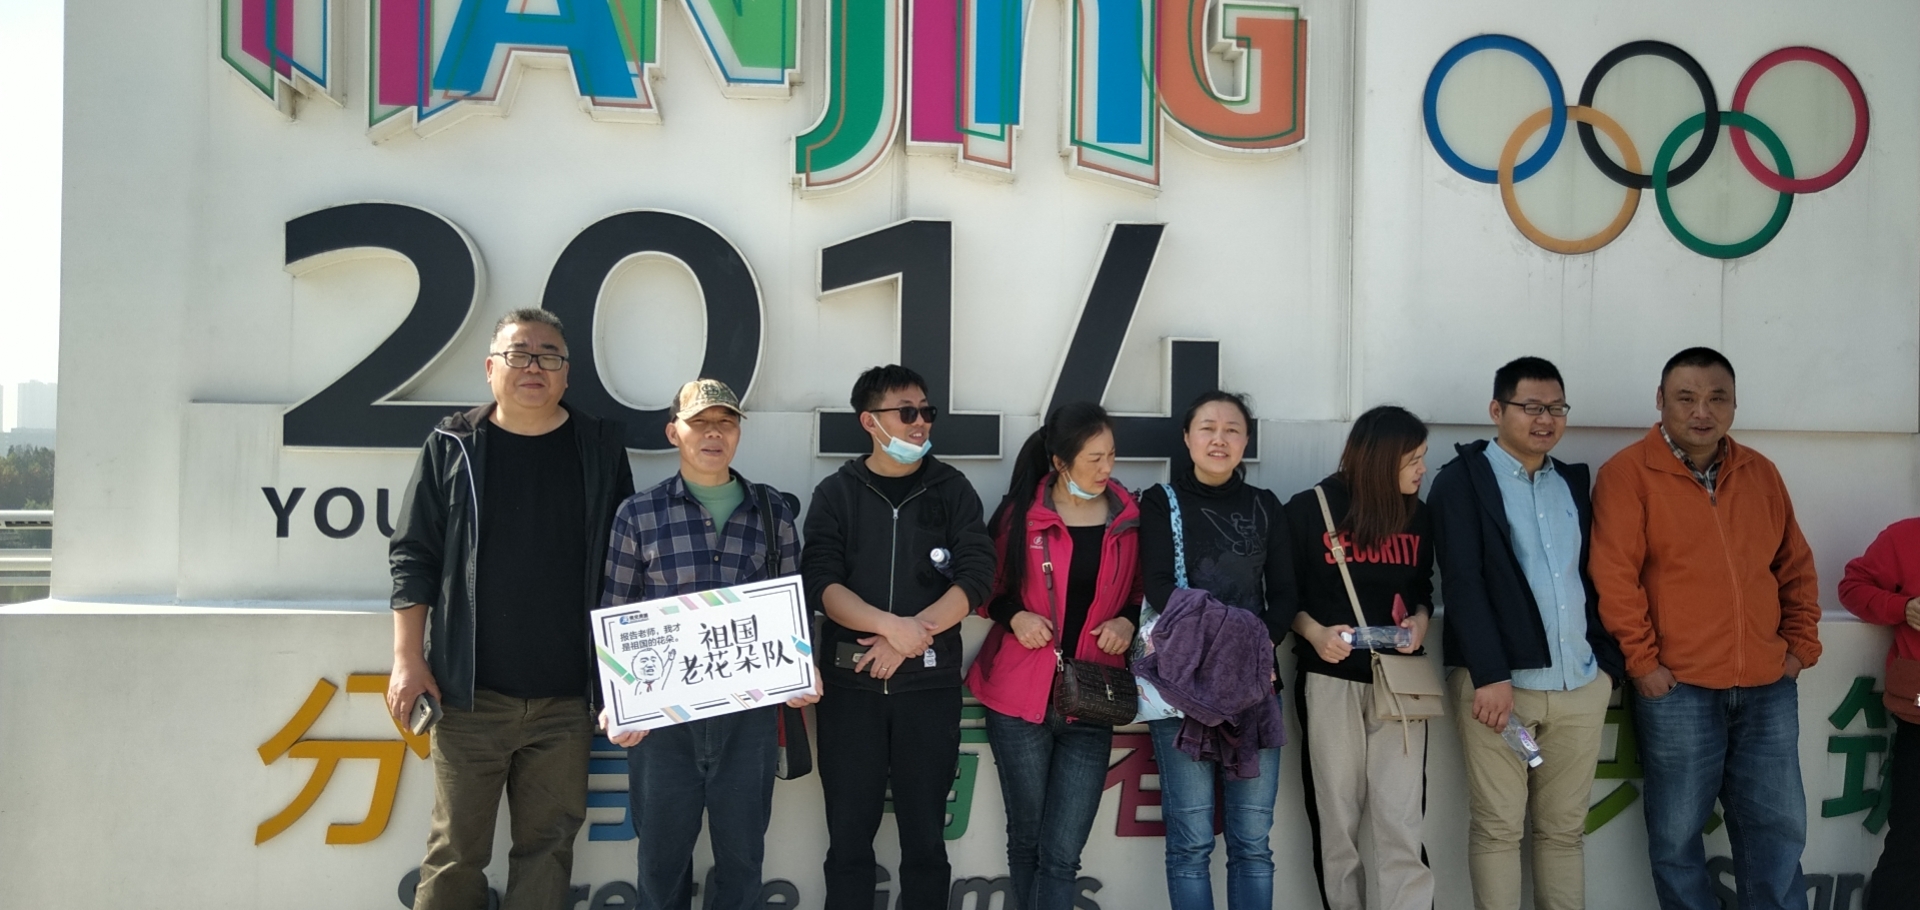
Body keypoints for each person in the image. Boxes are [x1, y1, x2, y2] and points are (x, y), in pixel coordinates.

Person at [385, 308, 636, 910]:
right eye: (519, 354)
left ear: (567, 373)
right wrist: (407, 658)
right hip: (467, 697)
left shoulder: (600, 446)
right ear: (490, 367)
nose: (533, 367)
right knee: (455, 852)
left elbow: (625, 567)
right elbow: (413, 555)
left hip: (566, 701)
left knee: (548, 850)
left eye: (549, 356)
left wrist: (623, 680)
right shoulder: (453, 445)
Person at [1591, 346, 1820, 910]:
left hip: (1767, 686)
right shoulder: (1628, 473)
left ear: (1734, 404)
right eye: (1686, 398)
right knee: (1677, 839)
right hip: (1679, 688)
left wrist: (1799, 648)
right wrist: (1643, 664)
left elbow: (1794, 566)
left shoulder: (1760, 473)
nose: (1702, 411)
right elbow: (1615, 577)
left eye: (1717, 398)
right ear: (1661, 401)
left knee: (1778, 832)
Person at [597, 379, 819, 910]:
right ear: (674, 432)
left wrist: (802, 667)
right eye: (699, 422)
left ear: (738, 432)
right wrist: (615, 699)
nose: (714, 433)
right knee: (660, 865)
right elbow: (616, 609)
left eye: (726, 422)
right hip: (661, 724)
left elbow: (793, 604)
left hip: (749, 719)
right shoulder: (638, 514)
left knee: (743, 864)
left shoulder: (772, 511)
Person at [1428, 357, 1625, 910]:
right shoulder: (1462, 482)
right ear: (1497, 410)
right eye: (1531, 407)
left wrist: (1605, 669)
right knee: (1498, 829)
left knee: (1564, 832)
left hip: (1579, 685)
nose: (1546, 419)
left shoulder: (1572, 483)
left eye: (1556, 408)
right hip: (1501, 691)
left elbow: (1590, 576)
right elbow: (1462, 583)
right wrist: (1490, 675)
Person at [800, 365, 997, 910]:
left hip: (928, 690)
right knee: (848, 842)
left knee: (926, 842)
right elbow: (821, 583)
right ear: (870, 421)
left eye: (926, 411)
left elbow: (977, 577)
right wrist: (889, 627)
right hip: (850, 689)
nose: (920, 422)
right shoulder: (836, 492)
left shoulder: (952, 489)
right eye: (906, 411)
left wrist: (912, 637)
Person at [965, 402, 1142, 910]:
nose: (1107, 468)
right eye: (1094, 459)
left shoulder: (1129, 519)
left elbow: (1141, 591)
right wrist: (1015, 616)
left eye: (1111, 456)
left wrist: (1127, 622)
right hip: (1019, 697)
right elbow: (984, 588)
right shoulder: (1021, 515)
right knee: (1027, 840)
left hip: (1093, 696)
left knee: (1063, 854)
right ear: (1061, 462)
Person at [1137, 390, 1296, 910]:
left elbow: (1285, 597)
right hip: (1184, 686)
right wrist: (1228, 646)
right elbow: (1160, 586)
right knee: (1191, 844)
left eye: (1232, 429)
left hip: (1255, 689)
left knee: (1253, 844)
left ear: (1246, 441)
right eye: (1207, 428)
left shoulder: (1266, 505)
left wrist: (1253, 652)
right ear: (1187, 438)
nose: (1219, 439)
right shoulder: (1160, 502)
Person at [1285, 404, 1436, 910]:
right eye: (1412, 459)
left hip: (1401, 680)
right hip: (1330, 677)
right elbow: (1284, 598)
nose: (1422, 469)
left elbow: (1422, 590)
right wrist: (1314, 633)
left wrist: (1420, 621)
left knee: (1402, 820)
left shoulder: (1418, 515)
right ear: (1380, 459)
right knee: (1337, 820)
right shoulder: (1309, 510)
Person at [1838, 518, 1920, 910]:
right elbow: (1851, 588)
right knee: (1912, 841)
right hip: (1918, 717)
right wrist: (1902, 608)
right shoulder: (1904, 537)